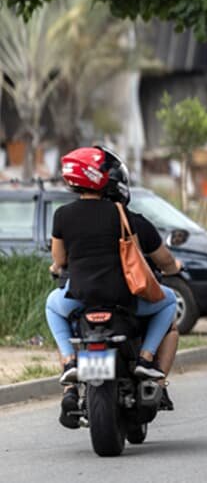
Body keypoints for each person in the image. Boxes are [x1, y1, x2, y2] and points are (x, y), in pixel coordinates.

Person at [44, 146, 182, 428]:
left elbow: (59, 261)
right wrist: (174, 269)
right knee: (168, 302)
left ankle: (70, 363)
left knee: (52, 306)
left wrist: (57, 268)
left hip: (80, 299)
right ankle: (146, 359)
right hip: (124, 300)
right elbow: (163, 259)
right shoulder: (128, 217)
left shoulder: (63, 216)